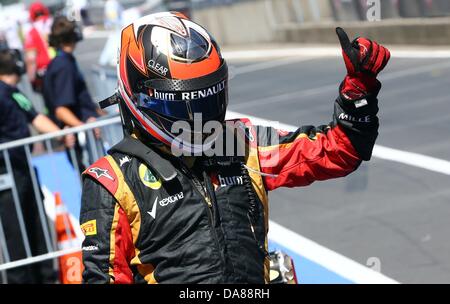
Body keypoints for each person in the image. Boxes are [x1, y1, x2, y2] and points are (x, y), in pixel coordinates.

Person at [80, 12, 390, 283]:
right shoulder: (112, 180)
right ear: (141, 96)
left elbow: (339, 151)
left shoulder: (241, 142)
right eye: (183, 104)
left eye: (205, 98)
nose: (197, 118)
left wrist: (358, 93)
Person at [0, 48, 63, 283]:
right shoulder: (6, 93)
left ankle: (44, 276)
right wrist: (62, 134)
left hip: (22, 168)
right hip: (6, 172)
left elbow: (35, 117)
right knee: (16, 232)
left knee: (35, 224)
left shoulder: (15, 94)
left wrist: (62, 134)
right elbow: (37, 119)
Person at [43, 16, 100, 171]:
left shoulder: (63, 62)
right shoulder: (63, 66)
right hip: (80, 140)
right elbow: (61, 110)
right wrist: (84, 127)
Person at [24, 1, 54, 93]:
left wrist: (32, 79)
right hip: (63, 63)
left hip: (45, 72)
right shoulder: (54, 23)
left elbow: (31, 59)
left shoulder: (32, 32)